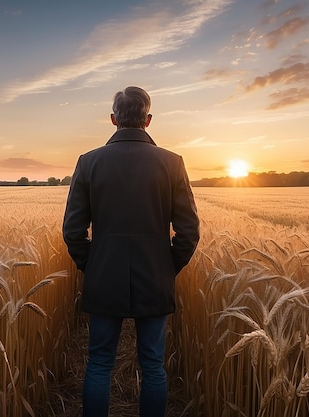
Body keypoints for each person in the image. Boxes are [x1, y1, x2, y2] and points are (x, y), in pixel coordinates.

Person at [62, 86, 200, 417]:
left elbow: (72, 231)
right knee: (153, 365)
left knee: (98, 363)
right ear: (148, 120)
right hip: (155, 276)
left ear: (113, 119)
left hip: (103, 275)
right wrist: (166, 266)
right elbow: (189, 230)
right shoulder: (173, 163)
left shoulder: (88, 162)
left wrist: (92, 264)